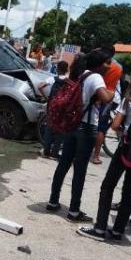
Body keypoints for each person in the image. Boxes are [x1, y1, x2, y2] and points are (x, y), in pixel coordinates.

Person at [78, 67, 131, 241]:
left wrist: (125, 131)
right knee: (129, 191)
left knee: (108, 186)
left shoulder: (129, 101)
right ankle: (118, 231)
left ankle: (100, 228)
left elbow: (115, 125)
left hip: (125, 149)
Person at [46, 49, 114, 222]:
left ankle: (53, 201)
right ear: (99, 64)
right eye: (107, 62)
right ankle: (74, 210)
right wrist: (113, 92)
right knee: (80, 170)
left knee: (63, 164)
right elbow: (106, 98)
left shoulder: (81, 74)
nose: (110, 66)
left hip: (72, 124)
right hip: (86, 126)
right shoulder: (96, 77)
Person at [92, 45, 124, 164]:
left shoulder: (103, 64)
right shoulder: (118, 67)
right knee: (101, 127)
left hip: (101, 95)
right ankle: (95, 154)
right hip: (110, 98)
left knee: (97, 125)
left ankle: (94, 154)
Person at [38, 60, 71, 158]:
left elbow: (40, 86)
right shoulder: (69, 81)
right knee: (60, 130)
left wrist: (46, 98)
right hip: (63, 108)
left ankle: (46, 150)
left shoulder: (53, 79)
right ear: (66, 70)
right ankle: (55, 152)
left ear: (58, 69)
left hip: (53, 107)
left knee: (49, 128)